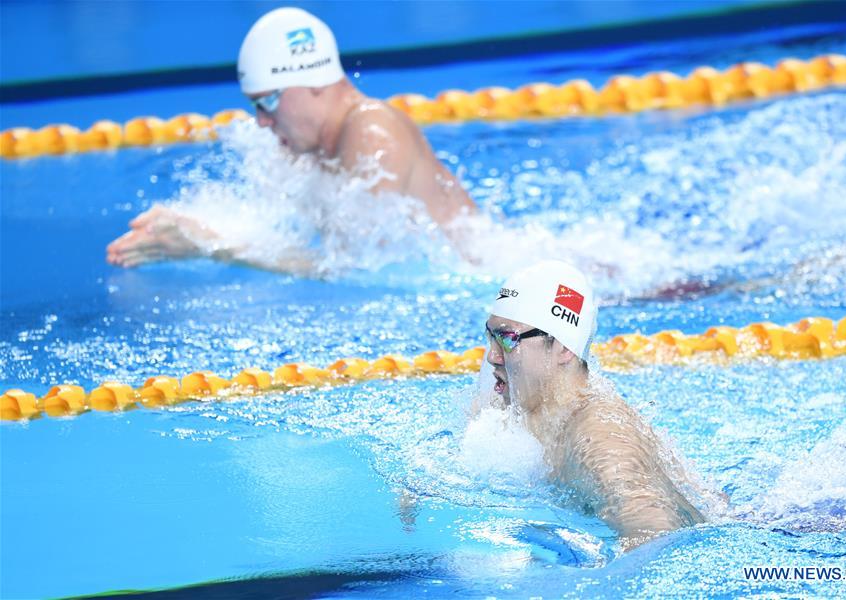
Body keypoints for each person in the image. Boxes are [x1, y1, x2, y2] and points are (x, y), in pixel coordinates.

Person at [107, 7, 476, 273]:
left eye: (267, 102)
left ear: (314, 80)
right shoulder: (311, 147)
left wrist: (211, 245)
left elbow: (357, 269)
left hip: (479, 278)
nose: (263, 122)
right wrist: (189, 225)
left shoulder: (371, 131)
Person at [483, 260, 706, 550]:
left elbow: (655, 530)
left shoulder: (598, 436)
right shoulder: (511, 404)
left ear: (563, 347)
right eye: (491, 336)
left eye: (508, 339)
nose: (492, 356)